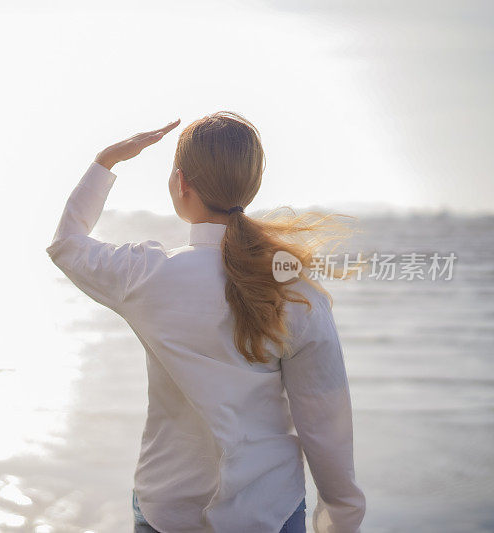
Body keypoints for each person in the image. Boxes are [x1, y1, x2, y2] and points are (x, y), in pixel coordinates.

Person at [45, 111, 366, 533]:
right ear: (249, 186)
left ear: (181, 183)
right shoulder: (295, 292)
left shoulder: (145, 275)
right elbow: (326, 424)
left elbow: (68, 244)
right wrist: (340, 518)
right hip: (269, 508)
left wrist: (106, 162)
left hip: (167, 509)